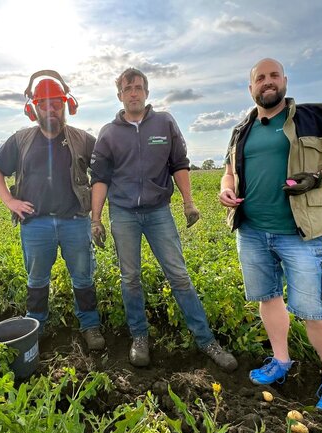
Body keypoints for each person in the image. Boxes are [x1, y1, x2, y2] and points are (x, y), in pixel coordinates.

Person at [219, 58, 322, 411]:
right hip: (251, 230)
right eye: (259, 78)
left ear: (284, 82)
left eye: (273, 76)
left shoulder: (315, 117)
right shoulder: (241, 130)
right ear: (251, 89)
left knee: (316, 311)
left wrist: (316, 178)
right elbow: (229, 173)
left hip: (300, 232)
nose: (267, 82)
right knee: (268, 298)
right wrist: (225, 189)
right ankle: (280, 360)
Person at [90, 67, 237, 372]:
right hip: (123, 213)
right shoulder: (109, 133)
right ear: (119, 95)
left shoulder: (164, 123)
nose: (134, 92)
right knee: (130, 278)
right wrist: (95, 219)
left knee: (179, 276)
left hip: (159, 212)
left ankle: (206, 339)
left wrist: (188, 203)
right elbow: (100, 178)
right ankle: (139, 337)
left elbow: (179, 164)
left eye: (139, 87)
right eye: (128, 88)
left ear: (146, 92)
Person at [0, 70, 105, 350]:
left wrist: (96, 215)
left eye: (57, 103)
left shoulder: (83, 139)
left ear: (67, 105)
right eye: (44, 104)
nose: (51, 109)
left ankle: (90, 325)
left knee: (83, 277)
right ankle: (36, 325)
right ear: (33, 108)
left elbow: (102, 175)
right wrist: (10, 201)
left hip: (75, 221)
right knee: (37, 280)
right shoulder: (20, 140)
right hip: (35, 224)